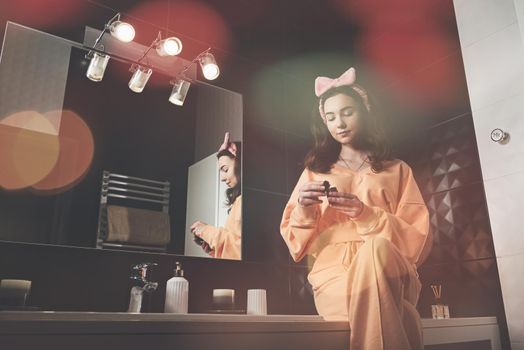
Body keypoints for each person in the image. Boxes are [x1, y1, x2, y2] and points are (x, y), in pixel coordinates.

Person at [280, 67, 432, 350]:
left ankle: (399, 306)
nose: (339, 123)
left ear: (365, 111)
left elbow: (417, 242)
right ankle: (405, 314)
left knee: (376, 249)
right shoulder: (314, 173)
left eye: (347, 112)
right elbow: (296, 246)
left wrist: (367, 215)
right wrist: (304, 209)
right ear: (324, 122)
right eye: (331, 117)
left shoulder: (398, 170)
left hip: (391, 268)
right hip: (332, 274)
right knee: (401, 313)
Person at [190, 132, 242, 260]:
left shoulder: (247, 201)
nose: (222, 178)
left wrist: (206, 231)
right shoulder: (238, 201)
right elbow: (236, 251)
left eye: (225, 170)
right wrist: (214, 249)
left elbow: (242, 249)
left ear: (241, 162)